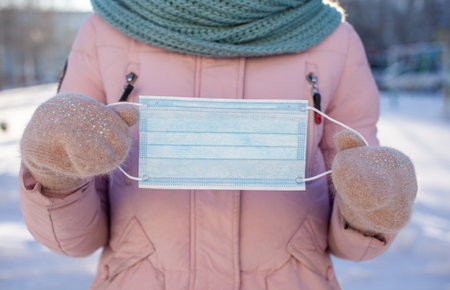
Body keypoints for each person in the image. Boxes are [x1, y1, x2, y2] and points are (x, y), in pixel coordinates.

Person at [18, 1, 417, 289]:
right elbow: (75, 240)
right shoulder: (105, 31)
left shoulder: (334, 40)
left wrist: (371, 210)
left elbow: (352, 243)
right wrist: (55, 176)